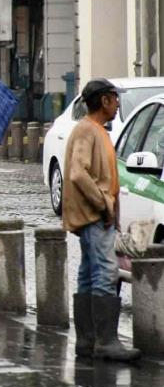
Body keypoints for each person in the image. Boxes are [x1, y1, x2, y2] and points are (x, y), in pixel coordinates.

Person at [63, 78, 140, 362]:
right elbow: (77, 173)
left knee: (88, 275)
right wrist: (104, 204)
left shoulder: (96, 131)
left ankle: (87, 340)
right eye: (114, 98)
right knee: (105, 274)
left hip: (96, 217)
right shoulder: (87, 130)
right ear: (104, 101)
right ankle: (105, 341)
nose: (118, 103)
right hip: (94, 217)